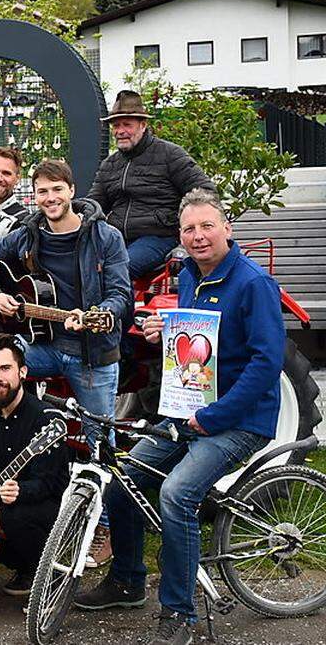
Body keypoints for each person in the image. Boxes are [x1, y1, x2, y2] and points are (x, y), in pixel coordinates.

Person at [75, 190, 281, 645]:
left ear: (227, 228)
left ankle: (179, 615)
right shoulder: (190, 276)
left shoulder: (252, 283)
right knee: (124, 479)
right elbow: (204, 341)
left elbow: (266, 363)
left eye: (207, 225)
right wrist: (166, 330)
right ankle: (127, 582)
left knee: (176, 494)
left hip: (240, 420)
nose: (198, 236)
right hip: (190, 413)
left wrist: (214, 415)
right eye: (189, 228)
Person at [0, 158, 131, 567]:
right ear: (35, 195)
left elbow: (121, 295)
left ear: (72, 191)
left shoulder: (104, 236)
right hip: (41, 345)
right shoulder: (29, 232)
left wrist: (99, 314)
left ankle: (106, 527)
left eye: (57, 190)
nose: (50, 198)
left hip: (91, 353)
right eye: (42, 191)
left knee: (100, 444)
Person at [0, 333, 71, 595]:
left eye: (5, 368)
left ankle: (47, 573)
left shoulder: (45, 420)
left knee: (14, 517)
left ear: (22, 372)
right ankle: (24, 568)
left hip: (46, 510)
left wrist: (20, 494)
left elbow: (51, 483)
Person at [88, 90, 215, 280]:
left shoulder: (170, 155)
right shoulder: (110, 164)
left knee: (120, 267)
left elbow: (205, 192)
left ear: (143, 125)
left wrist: (186, 229)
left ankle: (113, 310)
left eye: (127, 125)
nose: (120, 131)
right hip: (117, 238)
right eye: (116, 125)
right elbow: (94, 204)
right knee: (82, 265)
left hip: (158, 237)